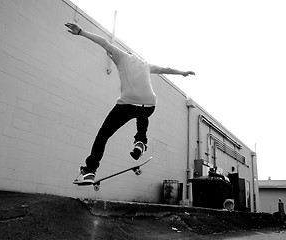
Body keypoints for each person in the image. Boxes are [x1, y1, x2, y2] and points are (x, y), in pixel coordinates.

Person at [65, 23, 195, 185]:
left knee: (103, 134)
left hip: (128, 103)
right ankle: (141, 141)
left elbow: (103, 42)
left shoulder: (122, 56)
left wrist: (81, 32)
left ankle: (90, 170)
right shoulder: (145, 64)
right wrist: (182, 73)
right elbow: (164, 69)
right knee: (143, 114)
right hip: (150, 104)